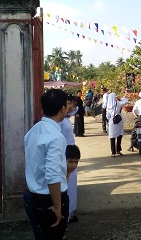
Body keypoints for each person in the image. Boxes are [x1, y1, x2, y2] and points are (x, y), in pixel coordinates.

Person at [24, 89, 69, 240]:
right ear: (62, 108)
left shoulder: (33, 131)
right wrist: (57, 207)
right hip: (49, 199)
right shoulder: (56, 137)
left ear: (43, 108)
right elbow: (52, 175)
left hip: (34, 197)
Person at [61, 95, 78, 223]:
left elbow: (75, 110)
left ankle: (70, 212)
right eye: (68, 103)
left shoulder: (66, 118)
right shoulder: (60, 120)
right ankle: (65, 214)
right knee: (66, 185)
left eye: (72, 104)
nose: (71, 106)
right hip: (65, 157)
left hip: (70, 155)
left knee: (71, 184)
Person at [106, 92, 128, 157]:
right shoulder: (118, 103)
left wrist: (110, 119)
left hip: (112, 121)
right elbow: (126, 101)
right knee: (119, 135)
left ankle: (113, 152)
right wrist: (121, 98)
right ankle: (118, 150)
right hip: (119, 121)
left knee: (112, 137)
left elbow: (107, 116)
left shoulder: (108, 106)